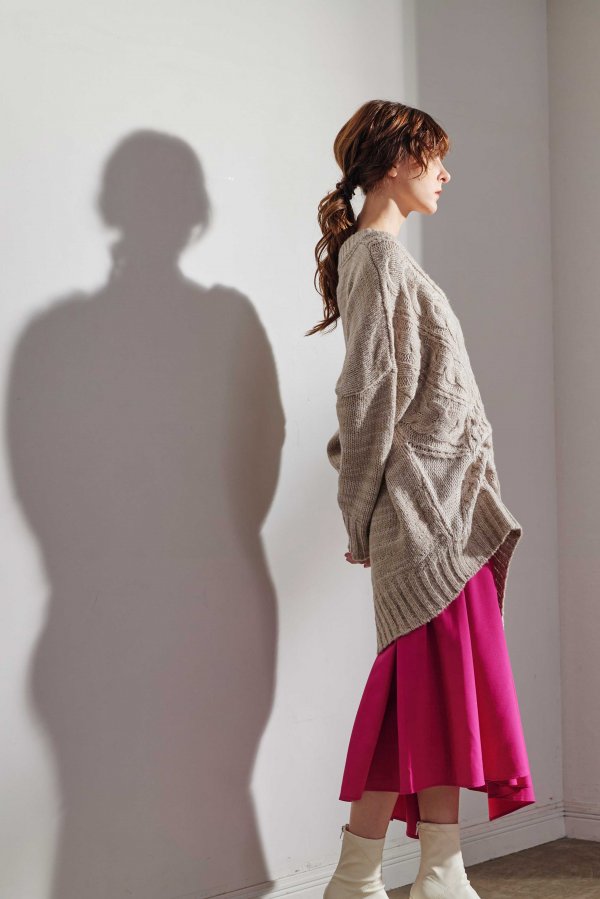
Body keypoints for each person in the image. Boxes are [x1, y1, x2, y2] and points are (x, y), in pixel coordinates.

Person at [307, 100, 535, 899]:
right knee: (416, 692)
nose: (445, 174)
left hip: (446, 509)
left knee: (432, 697)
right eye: (434, 159)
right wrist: (359, 512)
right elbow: (369, 394)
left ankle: (423, 871)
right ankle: (386, 873)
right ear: (396, 161)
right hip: (422, 513)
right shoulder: (375, 256)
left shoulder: (383, 257)